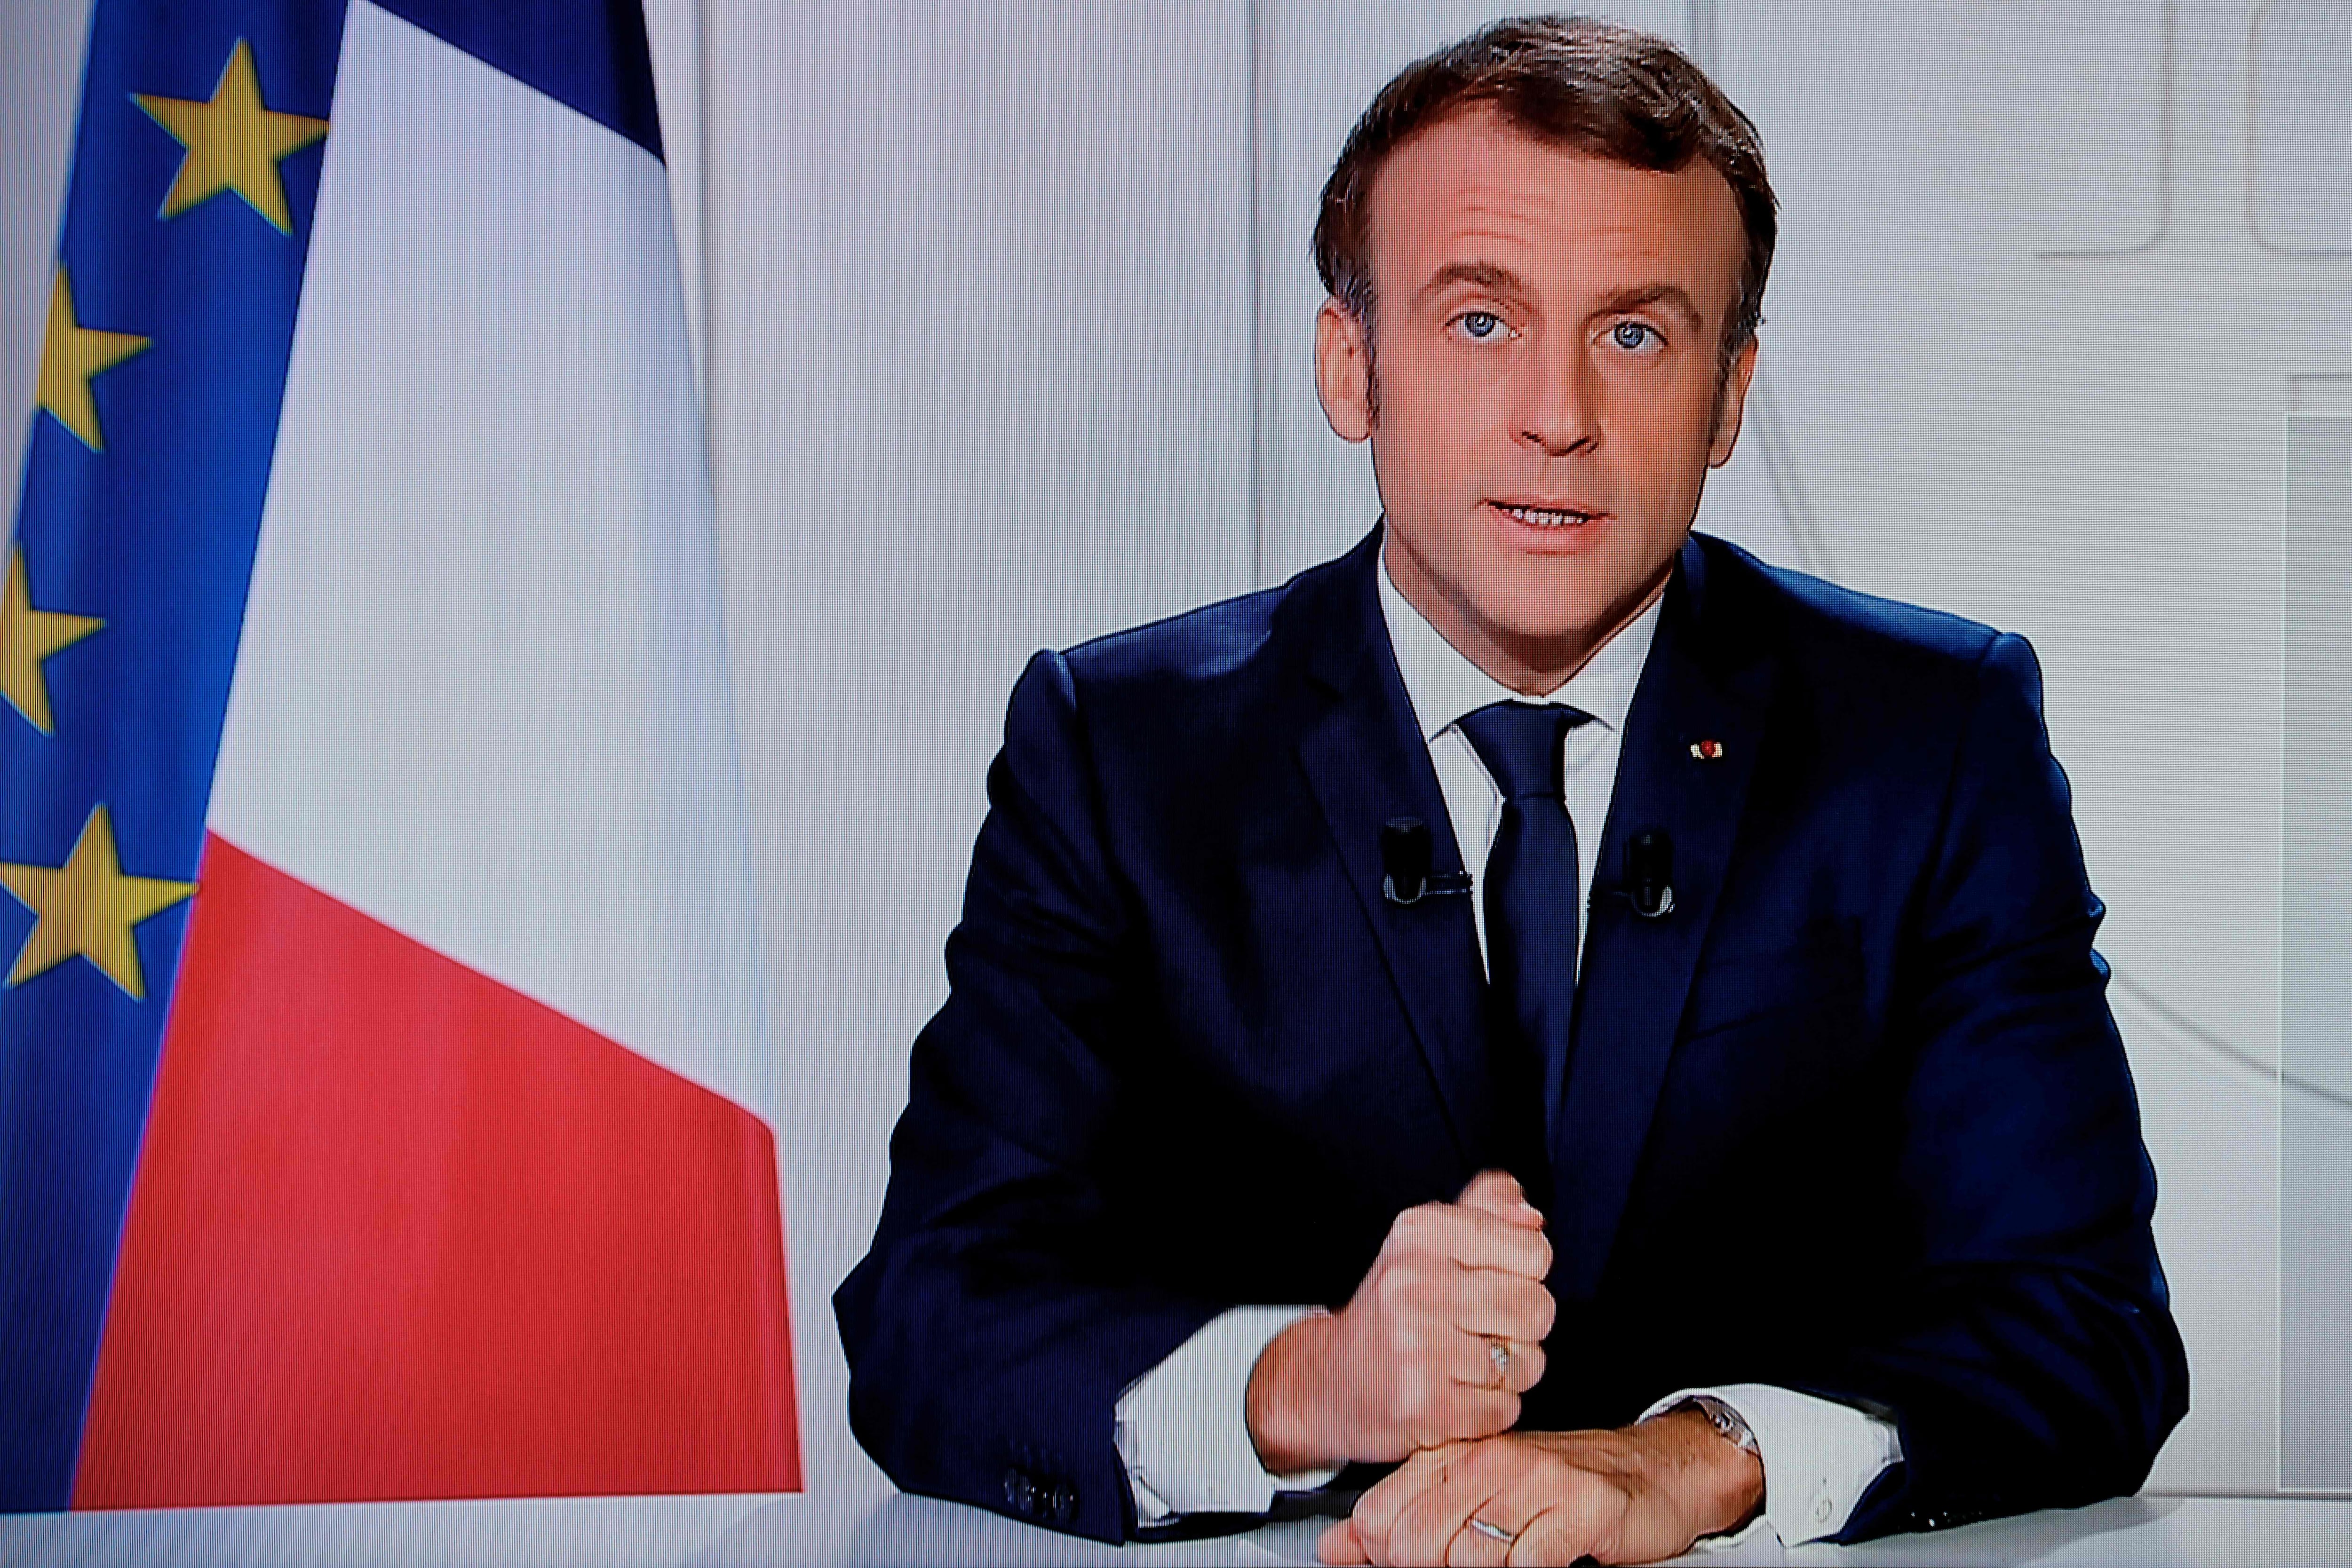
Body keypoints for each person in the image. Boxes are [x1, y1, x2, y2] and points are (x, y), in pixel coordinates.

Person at [834, 16, 2188, 1564]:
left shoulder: (1935, 739)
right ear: (1353, 363)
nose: (1559, 414)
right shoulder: (1120, 752)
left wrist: (1697, 1460)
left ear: (1728, 396)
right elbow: (934, 1316)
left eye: (1637, 336)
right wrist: (1303, 1385)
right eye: (1481, 320)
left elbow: (2083, 1325)